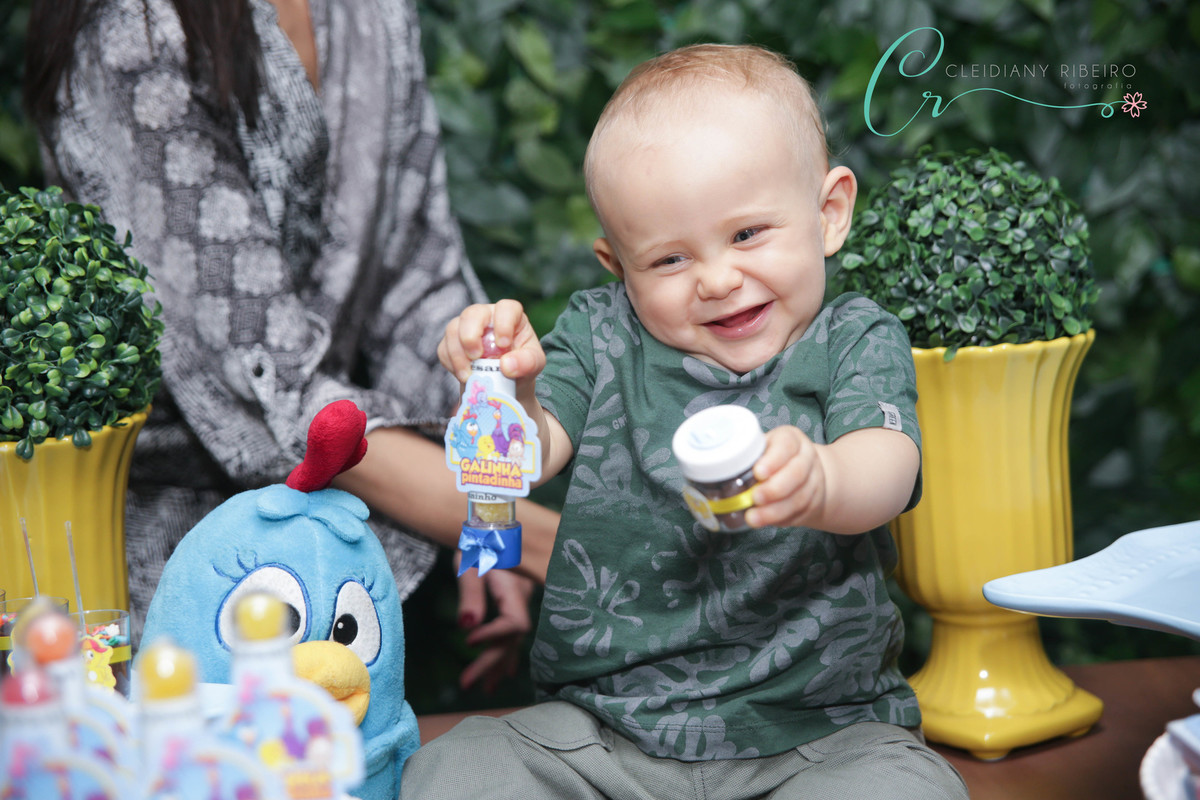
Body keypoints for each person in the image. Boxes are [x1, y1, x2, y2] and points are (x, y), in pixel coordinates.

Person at [406, 44, 968, 799]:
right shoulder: (602, 336)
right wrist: (508, 390)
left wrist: (825, 479)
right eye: (669, 260)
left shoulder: (854, 339)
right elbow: (529, 457)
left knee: (904, 789)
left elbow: (888, 468)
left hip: (821, 734)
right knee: (459, 768)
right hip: (605, 733)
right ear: (618, 267)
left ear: (828, 213)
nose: (717, 279)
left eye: (747, 234)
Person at [22, 0, 559, 690]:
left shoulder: (374, 13)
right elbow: (269, 386)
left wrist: (482, 514)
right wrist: (535, 541)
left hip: (352, 553)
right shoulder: (135, 28)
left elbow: (419, 284)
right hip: (171, 568)